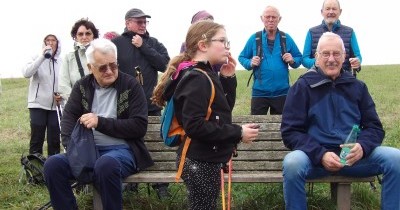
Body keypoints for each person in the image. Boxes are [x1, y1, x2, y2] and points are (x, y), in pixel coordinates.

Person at [281, 32, 400, 210]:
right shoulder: (302, 87)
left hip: (353, 159)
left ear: (344, 56)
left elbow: (374, 127)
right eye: (325, 54)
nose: (331, 59)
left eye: (336, 54)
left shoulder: (357, 87)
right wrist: (320, 154)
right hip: (314, 159)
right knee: (292, 163)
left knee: (396, 159)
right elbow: (290, 132)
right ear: (316, 57)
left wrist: (363, 146)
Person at [152, 20, 259, 210]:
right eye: (223, 41)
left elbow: (221, 112)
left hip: (205, 159)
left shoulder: (204, 74)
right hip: (199, 161)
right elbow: (195, 126)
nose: (227, 47)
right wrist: (238, 133)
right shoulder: (196, 78)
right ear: (203, 45)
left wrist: (227, 78)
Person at [43, 38, 153, 210]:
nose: (109, 71)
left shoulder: (131, 85)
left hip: (122, 151)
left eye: (113, 65)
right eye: (103, 67)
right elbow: (67, 121)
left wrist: (100, 122)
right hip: (87, 151)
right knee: (53, 165)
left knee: (105, 165)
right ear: (90, 68)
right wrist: (74, 150)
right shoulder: (81, 87)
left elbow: (139, 127)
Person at [111, 8, 170, 198]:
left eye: (145, 22)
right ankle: (131, 183)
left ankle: (161, 185)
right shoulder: (116, 44)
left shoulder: (153, 43)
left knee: (156, 143)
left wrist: (143, 46)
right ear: (128, 23)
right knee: (130, 144)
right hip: (125, 106)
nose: (143, 25)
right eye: (139, 22)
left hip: (151, 105)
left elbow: (166, 65)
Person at [238, 5, 302, 115]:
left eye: (274, 17)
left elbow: (299, 58)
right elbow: (241, 57)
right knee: (257, 127)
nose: (271, 19)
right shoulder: (255, 38)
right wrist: (250, 63)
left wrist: (292, 60)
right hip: (259, 93)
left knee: (282, 127)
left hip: (282, 92)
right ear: (262, 18)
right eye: (267, 17)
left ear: (279, 19)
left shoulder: (286, 38)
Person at [21, 34, 62, 156]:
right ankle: (35, 171)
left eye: (53, 40)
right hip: (37, 105)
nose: (50, 43)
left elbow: (65, 82)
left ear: (57, 43)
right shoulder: (35, 57)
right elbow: (26, 73)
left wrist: (62, 96)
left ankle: (53, 170)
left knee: (54, 140)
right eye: (47, 40)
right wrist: (42, 57)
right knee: (37, 139)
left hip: (55, 106)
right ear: (44, 43)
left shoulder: (62, 61)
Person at [302, 0, 362, 74]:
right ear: (322, 12)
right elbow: (304, 59)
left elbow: (358, 56)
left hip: (343, 80)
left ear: (340, 12)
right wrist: (316, 62)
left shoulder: (350, 32)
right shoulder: (311, 32)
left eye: (334, 9)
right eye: (327, 9)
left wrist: (357, 62)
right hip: (318, 80)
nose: (331, 12)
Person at [58, 18, 99, 103]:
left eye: (88, 33)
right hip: (77, 106)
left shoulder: (101, 55)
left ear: (94, 36)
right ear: (75, 37)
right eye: (80, 34)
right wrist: (77, 103)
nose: (84, 37)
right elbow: (63, 85)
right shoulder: (69, 58)